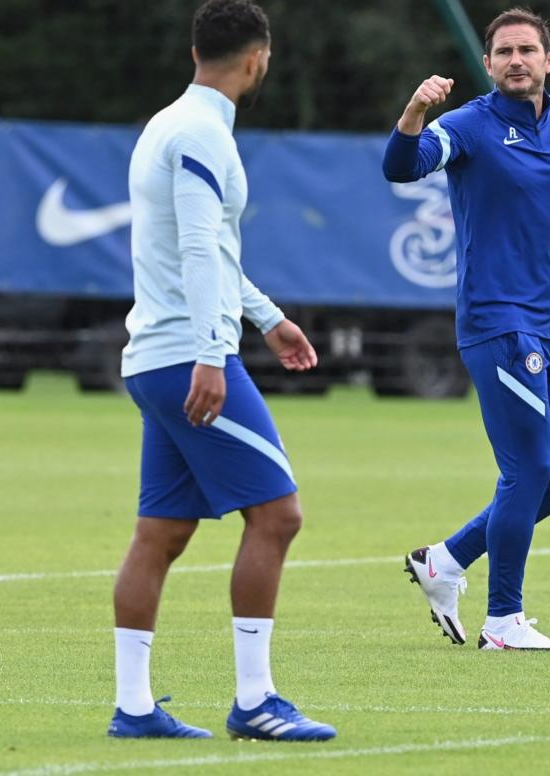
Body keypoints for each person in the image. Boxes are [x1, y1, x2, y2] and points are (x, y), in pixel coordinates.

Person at [383, 8, 550, 651]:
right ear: (488, 63)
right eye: (503, 51)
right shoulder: (470, 125)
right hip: (498, 322)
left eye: (527, 49)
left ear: (548, 60)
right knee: (528, 468)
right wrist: (414, 113)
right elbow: (403, 165)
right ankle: (503, 620)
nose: (515, 60)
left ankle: (444, 561)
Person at [107, 0, 335, 741]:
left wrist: (267, 318)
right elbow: (200, 250)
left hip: (155, 356)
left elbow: (203, 251)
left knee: (161, 533)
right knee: (278, 515)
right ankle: (256, 701)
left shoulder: (165, 125)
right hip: (186, 357)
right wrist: (214, 351)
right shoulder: (204, 133)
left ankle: (135, 708)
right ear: (256, 60)